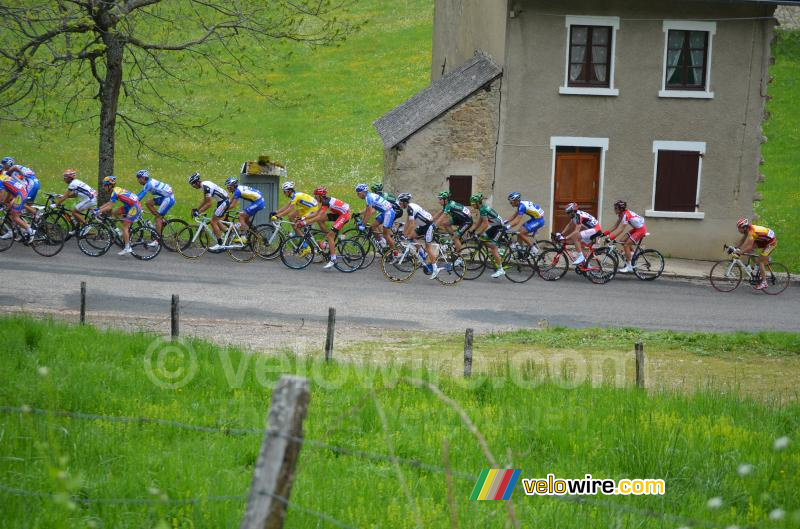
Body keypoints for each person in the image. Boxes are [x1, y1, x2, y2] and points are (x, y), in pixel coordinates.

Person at [397, 192, 440, 279]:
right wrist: (404, 233)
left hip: (429, 226)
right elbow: (408, 222)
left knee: (428, 248)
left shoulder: (410, 208)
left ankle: (435, 268)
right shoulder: (409, 208)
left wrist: (406, 235)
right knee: (411, 237)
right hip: (423, 226)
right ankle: (421, 252)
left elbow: (412, 225)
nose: (400, 205)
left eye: (401, 203)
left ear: (405, 202)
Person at [94, 176, 141, 256]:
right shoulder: (116, 190)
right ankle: (121, 230)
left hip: (134, 207)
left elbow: (109, 207)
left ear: (110, 185)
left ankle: (127, 247)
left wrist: (99, 211)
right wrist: (99, 209)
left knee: (125, 227)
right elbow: (109, 203)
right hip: (130, 205)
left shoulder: (114, 193)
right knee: (115, 213)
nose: (104, 187)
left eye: (105, 185)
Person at [306, 186, 351, 269]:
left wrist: (305, 222)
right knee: (320, 221)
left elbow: (318, 216)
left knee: (330, 235)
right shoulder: (324, 201)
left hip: (344, 215)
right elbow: (317, 213)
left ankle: (333, 259)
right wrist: (303, 218)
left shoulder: (326, 202)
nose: (315, 198)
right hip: (340, 213)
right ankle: (328, 240)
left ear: (320, 196)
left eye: (316, 196)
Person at [732, 217, 777, 290]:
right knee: (750, 250)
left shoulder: (751, 232)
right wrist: (735, 247)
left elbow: (749, 247)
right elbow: (742, 240)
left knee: (760, 261)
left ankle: (764, 283)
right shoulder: (747, 230)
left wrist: (739, 253)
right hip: (763, 239)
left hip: (771, 242)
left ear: (744, 227)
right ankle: (757, 265)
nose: (738, 229)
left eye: (739, 228)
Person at [188, 172, 229, 251]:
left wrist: (198, 212)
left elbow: (209, 204)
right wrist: (197, 209)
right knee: (216, 219)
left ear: (196, 182)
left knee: (213, 222)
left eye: (192, 184)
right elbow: (205, 200)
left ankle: (220, 244)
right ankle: (228, 232)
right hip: (222, 201)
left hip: (224, 202)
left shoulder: (205, 187)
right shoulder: (204, 185)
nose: (193, 187)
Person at [470, 192, 507, 278]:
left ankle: (500, 269)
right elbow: (480, 221)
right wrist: (472, 230)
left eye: (473, 203)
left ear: (478, 202)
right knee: (483, 238)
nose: (472, 205)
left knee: (493, 248)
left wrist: (478, 233)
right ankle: (498, 252)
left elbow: (485, 224)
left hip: (499, 228)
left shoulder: (483, 209)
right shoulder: (482, 209)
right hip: (495, 227)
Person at [604, 200, 647, 273]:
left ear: (621, 209)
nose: (614, 210)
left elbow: (621, 229)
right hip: (636, 229)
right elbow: (615, 226)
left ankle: (629, 267)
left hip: (641, 230)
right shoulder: (621, 214)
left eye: (616, 208)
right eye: (615, 208)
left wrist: (610, 238)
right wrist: (604, 233)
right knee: (622, 240)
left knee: (626, 245)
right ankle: (632, 253)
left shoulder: (626, 215)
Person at [355, 182, 396, 253]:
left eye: (358, 193)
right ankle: (382, 243)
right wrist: (361, 218)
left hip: (388, 213)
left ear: (363, 192)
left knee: (386, 234)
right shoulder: (368, 196)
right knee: (372, 227)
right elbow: (368, 210)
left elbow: (369, 212)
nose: (357, 195)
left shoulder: (368, 197)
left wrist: (363, 225)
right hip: (384, 212)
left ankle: (395, 253)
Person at [136, 169, 175, 238]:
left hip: (168, 198)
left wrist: (134, 201)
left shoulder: (149, 184)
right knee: (148, 203)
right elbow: (140, 193)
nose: (138, 180)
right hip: (165, 196)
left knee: (157, 218)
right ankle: (161, 219)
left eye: (138, 178)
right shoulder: (148, 182)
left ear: (143, 178)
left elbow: (141, 195)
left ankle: (157, 240)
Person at [225, 176, 264, 244]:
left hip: (258, 202)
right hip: (257, 201)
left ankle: (243, 237)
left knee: (241, 215)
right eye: (227, 186)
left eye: (229, 186)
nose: (228, 188)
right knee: (245, 220)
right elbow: (231, 201)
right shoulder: (237, 189)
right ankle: (255, 232)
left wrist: (222, 209)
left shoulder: (237, 191)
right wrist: (224, 206)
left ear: (234, 185)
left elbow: (233, 205)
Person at [0, 169, 33, 241]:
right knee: (11, 209)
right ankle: (20, 230)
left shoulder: (0, 180)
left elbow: (1, 194)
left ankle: (30, 230)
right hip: (22, 192)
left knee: (15, 216)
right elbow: (10, 191)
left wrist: (1, 202)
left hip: (20, 195)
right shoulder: (5, 176)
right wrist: (5, 202)